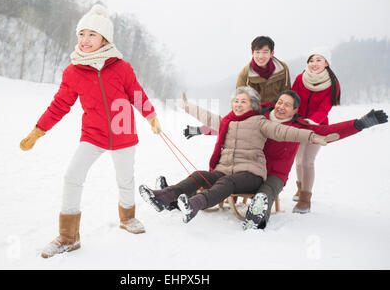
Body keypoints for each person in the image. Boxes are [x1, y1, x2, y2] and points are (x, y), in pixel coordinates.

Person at [19, 4, 161, 258]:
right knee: (72, 176)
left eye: (92, 35)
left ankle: (127, 218)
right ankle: (68, 237)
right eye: (81, 34)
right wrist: (38, 130)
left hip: (123, 130)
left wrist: (151, 116)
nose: (85, 40)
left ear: (104, 39)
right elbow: (60, 105)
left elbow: (136, 93)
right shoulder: (73, 72)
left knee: (125, 179)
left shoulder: (121, 67)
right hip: (93, 134)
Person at [180, 90, 387, 228]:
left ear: (295, 110)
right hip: (247, 168)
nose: (280, 107)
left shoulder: (300, 126)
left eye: (287, 105)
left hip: (274, 174)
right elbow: (228, 126)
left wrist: (359, 124)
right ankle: (184, 196)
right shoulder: (259, 116)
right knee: (217, 177)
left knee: (266, 192)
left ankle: (258, 217)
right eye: (279, 102)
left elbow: (327, 132)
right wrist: (199, 130)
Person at [139, 87, 338, 226]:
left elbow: (287, 132)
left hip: (250, 174)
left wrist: (313, 135)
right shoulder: (229, 122)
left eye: (243, 101)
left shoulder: (261, 121)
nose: (238, 104)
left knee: (228, 183)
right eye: (236, 101)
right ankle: (163, 197)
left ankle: (193, 205)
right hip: (225, 170)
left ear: (252, 105)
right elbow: (209, 118)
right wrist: (187, 106)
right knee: (199, 175)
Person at [291, 47, 340, 213]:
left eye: (319, 60)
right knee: (298, 161)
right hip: (298, 124)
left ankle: (306, 198)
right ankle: (300, 187)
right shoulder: (300, 78)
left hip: (318, 127)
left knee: (307, 161)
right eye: (311, 60)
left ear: (326, 63)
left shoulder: (333, 83)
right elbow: (293, 99)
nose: (314, 63)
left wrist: (312, 121)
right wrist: (294, 117)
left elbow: (325, 108)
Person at [236, 36, 291, 103]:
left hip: (276, 110)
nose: (261, 56)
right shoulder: (245, 73)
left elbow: (287, 95)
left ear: (272, 53)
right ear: (252, 53)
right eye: (257, 52)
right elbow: (239, 100)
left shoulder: (282, 68)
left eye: (265, 52)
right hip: (254, 111)